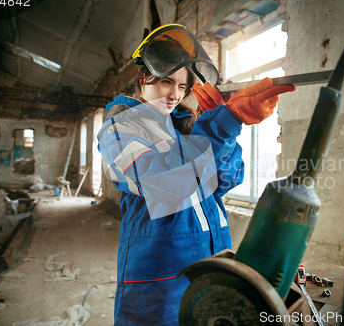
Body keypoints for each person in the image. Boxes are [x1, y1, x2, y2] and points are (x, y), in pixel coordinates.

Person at [97, 24, 295, 325]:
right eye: (166, 82)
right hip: (160, 274)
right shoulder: (120, 129)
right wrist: (222, 124)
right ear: (143, 79)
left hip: (213, 260)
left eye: (182, 86)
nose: (174, 94)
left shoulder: (189, 126)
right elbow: (163, 183)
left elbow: (228, 179)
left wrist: (223, 124)